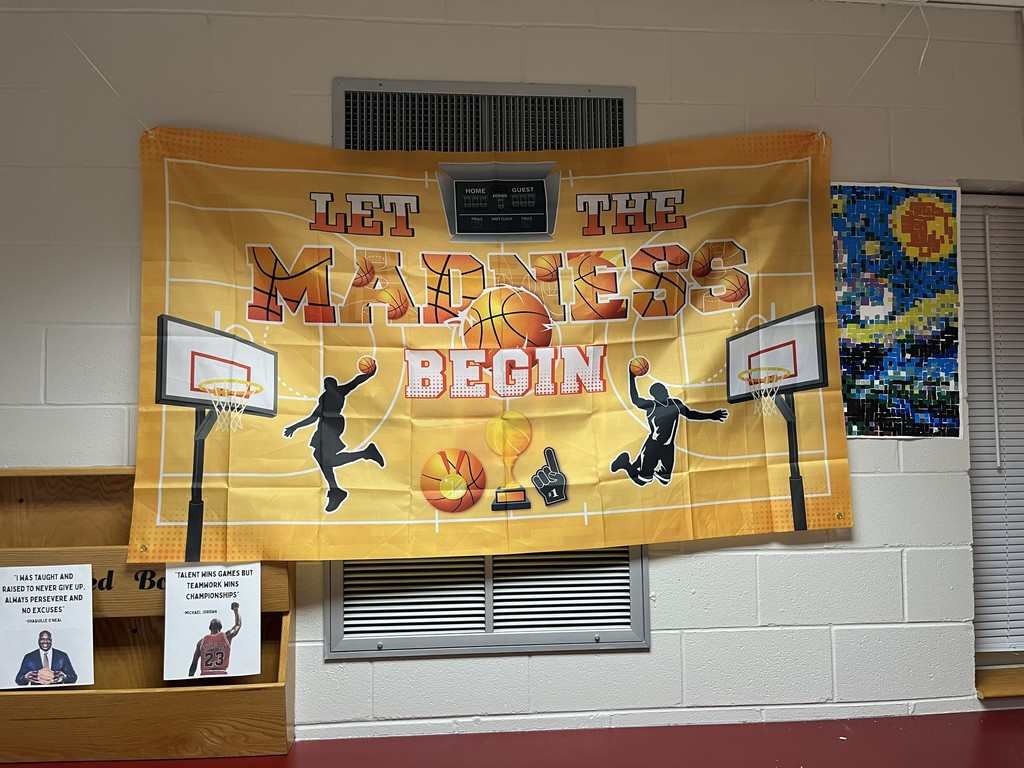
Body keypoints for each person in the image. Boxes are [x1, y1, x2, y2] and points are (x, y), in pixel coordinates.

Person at [283, 368, 385, 513]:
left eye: (331, 384)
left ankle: (361, 458)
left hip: (333, 424)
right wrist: (294, 427)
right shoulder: (323, 398)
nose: (328, 386)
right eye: (327, 384)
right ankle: (338, 487)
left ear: (335, 385)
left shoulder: (340, 391)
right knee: (321, 457)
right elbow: (313, 416)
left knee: (325, 460)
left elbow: (355, 382)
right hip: (324, 427)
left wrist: (369, 374)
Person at [611, 365, 728, 487]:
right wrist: (631, 377)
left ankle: (639, 465)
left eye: (665, 389)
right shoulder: (652, 406)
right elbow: (636, 400)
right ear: (656, 395)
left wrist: (711, 415)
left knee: (665, 480)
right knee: (643, 480)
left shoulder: (675, 403)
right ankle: (625, 463)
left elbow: (690, 414)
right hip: (653, 446)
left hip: (668, 447)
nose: (666, 391)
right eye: (663, 390)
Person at [189, 602, 242, 676]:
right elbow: (238, 625)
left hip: (205, 674)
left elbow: (194, 664)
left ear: (210, 627)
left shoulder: (201, 642)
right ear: (220, 627)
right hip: (221, 673)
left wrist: (189, 679)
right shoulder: (226, 636)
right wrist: (236, 610)